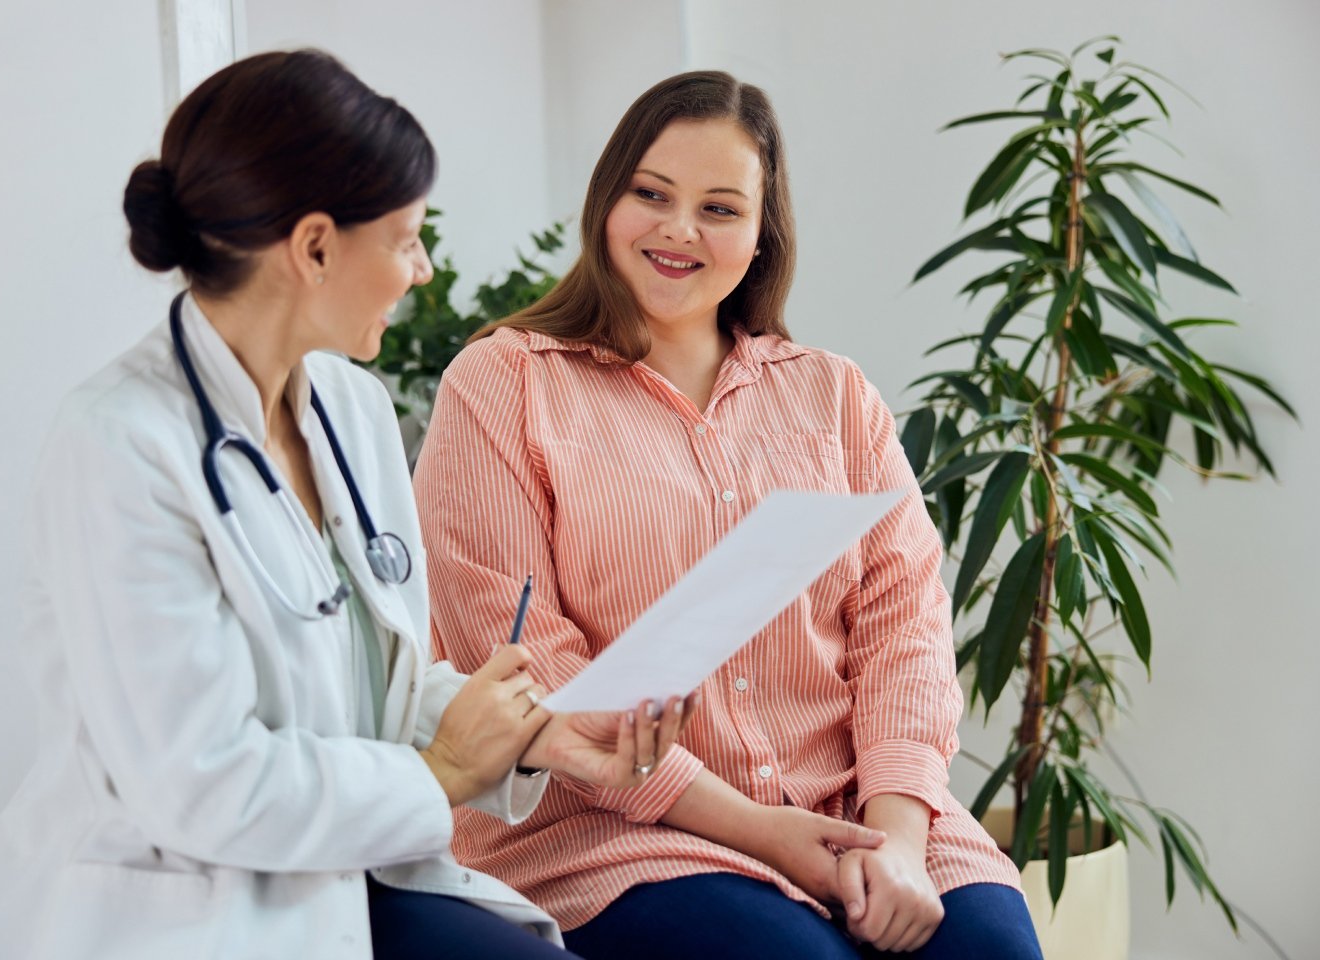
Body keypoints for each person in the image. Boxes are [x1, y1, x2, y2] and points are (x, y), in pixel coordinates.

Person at [0, 50, 691, 960]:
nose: (423, 270)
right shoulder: (118, 448)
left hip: (346, 868)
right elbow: (201, 784)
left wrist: (539, 734)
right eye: (405, 239)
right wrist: (437, 775)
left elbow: (362, 685)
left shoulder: (350, 410)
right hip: (192, 902)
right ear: (315, 248)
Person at [412, 71, 1044, 959]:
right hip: (620, 832)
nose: (679, 230)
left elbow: (905, 634)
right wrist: (761, 831)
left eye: (719, 207)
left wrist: (899, 841)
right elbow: (527, 664)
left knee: (992, 951)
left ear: (759, 235)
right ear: (607, 201)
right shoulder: (504, 384)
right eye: (652, 194)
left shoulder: (835, 397)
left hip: (857, 806)